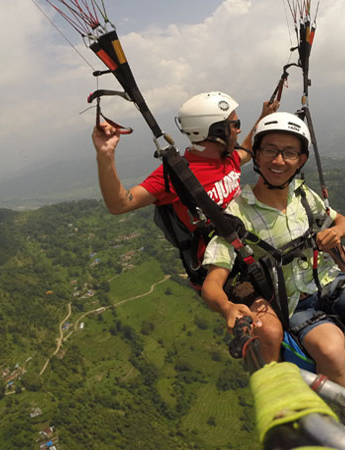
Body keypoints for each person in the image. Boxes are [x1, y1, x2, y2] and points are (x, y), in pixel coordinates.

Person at [200, 112, 345, 422]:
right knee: (330, 351)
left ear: (300, 160)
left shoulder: (303, 195)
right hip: (293, 303)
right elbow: (211, 285)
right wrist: (228, 308)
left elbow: (343, 221)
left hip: (329, 279)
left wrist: (337, 231)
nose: (279, 160)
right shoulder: (235, 214)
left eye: (289, 153)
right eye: (270, 150)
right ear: (256, 155)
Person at [92, 91, 283, 361]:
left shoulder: (227, 158)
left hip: (247, 251)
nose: (239, 130)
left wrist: (265, 117)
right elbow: (120, 203)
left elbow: (247, 152)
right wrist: (105, 155)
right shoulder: (177, 175)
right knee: (271, 331)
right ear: (217, 132)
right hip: (223, 270)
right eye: (235, 125)